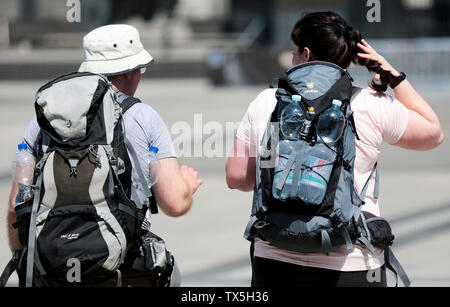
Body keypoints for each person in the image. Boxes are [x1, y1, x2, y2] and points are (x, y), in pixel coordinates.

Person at [226, 11, 444, 287]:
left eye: (293, 53)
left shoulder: (266, 101)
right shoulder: (370, 103)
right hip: (351, 264)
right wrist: (392, 75)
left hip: (274, 259)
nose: (291, 60)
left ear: (305, 54)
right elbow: (433, 134)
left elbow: (237, 178)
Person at [6, 24, 202, 286]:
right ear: (131, 71)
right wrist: (187, 187)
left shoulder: (44, 119)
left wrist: (23, 260)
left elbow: (15, 207)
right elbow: (175, 203)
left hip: (51, 267)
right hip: (121, 268)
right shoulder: (144, 118)